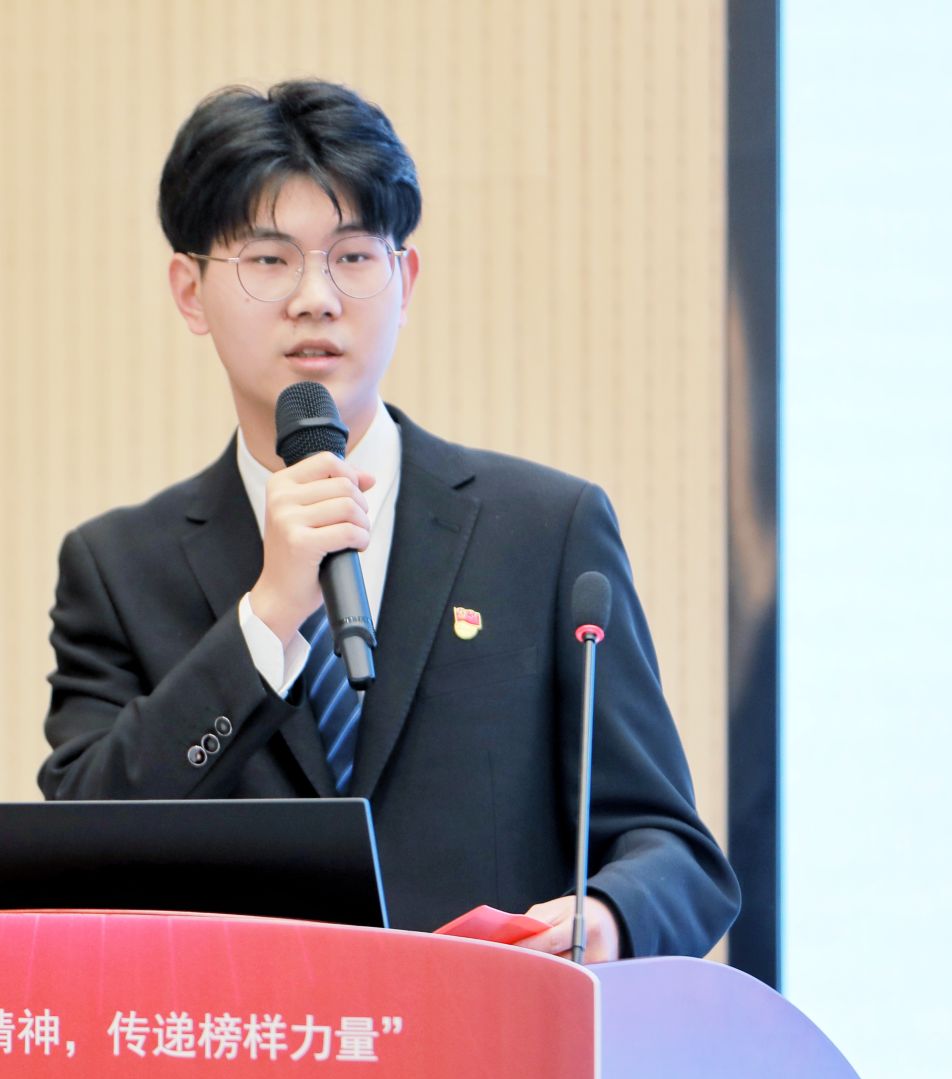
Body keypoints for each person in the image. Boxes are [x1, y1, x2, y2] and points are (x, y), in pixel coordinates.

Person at [37, 80, 737, 960]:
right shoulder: (117, 568)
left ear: (404, 281)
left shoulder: (545, 532)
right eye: (268, 259)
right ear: (190, 290)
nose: (316, 298)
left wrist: (605, 917)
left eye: (354, 257)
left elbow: (678, 856)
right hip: (250, 1041)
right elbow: (77, 848)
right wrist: (264, 621)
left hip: (484, 1035)